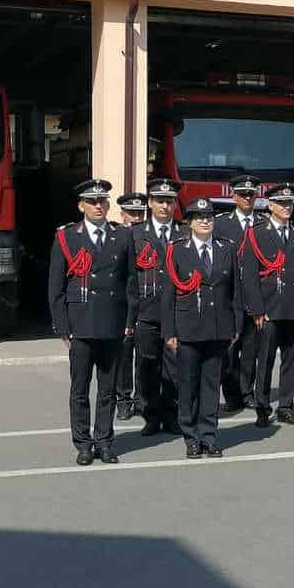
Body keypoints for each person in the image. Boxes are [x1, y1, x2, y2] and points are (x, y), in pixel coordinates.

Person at [48, 179, 135, 466]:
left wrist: (129, 320)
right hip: (81, 323)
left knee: (108, 389)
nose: (98, 206)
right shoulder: (67, 237)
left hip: (112, 321)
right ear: (81, 206)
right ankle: (84, 444)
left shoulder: (122, 237)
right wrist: (62, 326)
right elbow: (56, 287)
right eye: (92, 202)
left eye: (103, 202)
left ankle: (105, 442)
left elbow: (130, 282)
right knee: (80, 389)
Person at [163, 198, 241, 459]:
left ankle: (209, 435)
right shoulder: (177, 249)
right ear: (189, 223)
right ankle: (191, 436)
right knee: (189, 385)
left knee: (211, 385)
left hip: (219, 328)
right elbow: (168, 295)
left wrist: (235, 326)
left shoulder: (226, 249)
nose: (205, 221)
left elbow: (235, 292)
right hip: (188, 328)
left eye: (208, 217)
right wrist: (170, 332)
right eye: (199, 217)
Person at [241, 183, 294, 429]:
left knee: (291, 360)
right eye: (281, 203)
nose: (287, 207)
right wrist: (257, 309)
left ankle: (286, 406)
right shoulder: (256, 233)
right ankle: (262, 406)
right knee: (265, 360)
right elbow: (249, 275)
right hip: (268, 310)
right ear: (270, 206)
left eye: (289, 203)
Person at [130, 179, 184, 437]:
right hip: (147, 311)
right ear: (149, 203)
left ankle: (172, 414)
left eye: (169, 201)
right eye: (159, 200)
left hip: (176, 311)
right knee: (147, 366)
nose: (165, 205)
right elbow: (129, 276)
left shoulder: (184, 232)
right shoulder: (135, 234)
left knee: (174, 367)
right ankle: (150, 414)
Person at [213, 174, 265, 413]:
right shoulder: (221, 224)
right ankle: (232, 394)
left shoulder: (263, 224)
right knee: (229, 349)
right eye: (243, 194)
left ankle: (247, 392)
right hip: (230, 296)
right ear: (233, 196)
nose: (247, 198)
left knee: (251, 350)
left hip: (255, 296)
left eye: (251, 194)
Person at [113, 191, 147, 421]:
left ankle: (141, 400)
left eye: (139, 212)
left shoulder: (149, 236)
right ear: (122, 213)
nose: (135, 217)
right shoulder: (115, 236)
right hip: (123, 304)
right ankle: (123, 400)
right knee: (124, 356)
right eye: (131, 212)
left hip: (145, 303)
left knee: (144, 357)